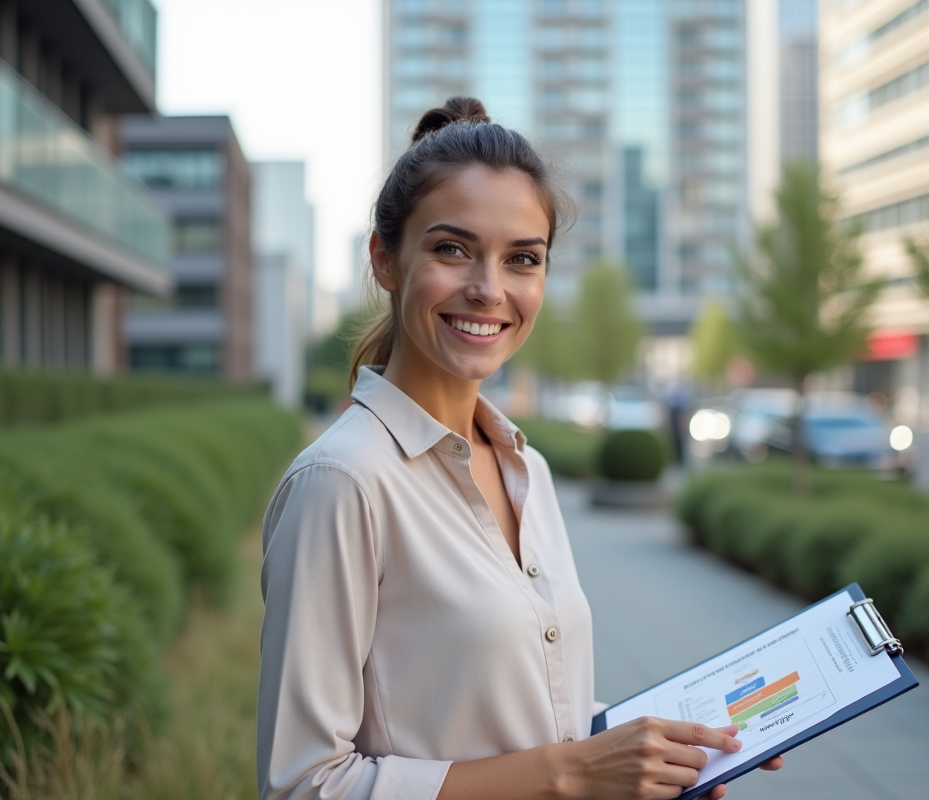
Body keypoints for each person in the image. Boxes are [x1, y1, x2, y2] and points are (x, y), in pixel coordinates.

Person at [257, 97, 784, 800]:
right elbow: (303, 785)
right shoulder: (342, 482)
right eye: (452, 250)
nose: (488, 290)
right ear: (386, 259)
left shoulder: (525, 466)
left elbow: (525, 732)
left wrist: (645, 759)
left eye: (522, 259)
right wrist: (572, 775)